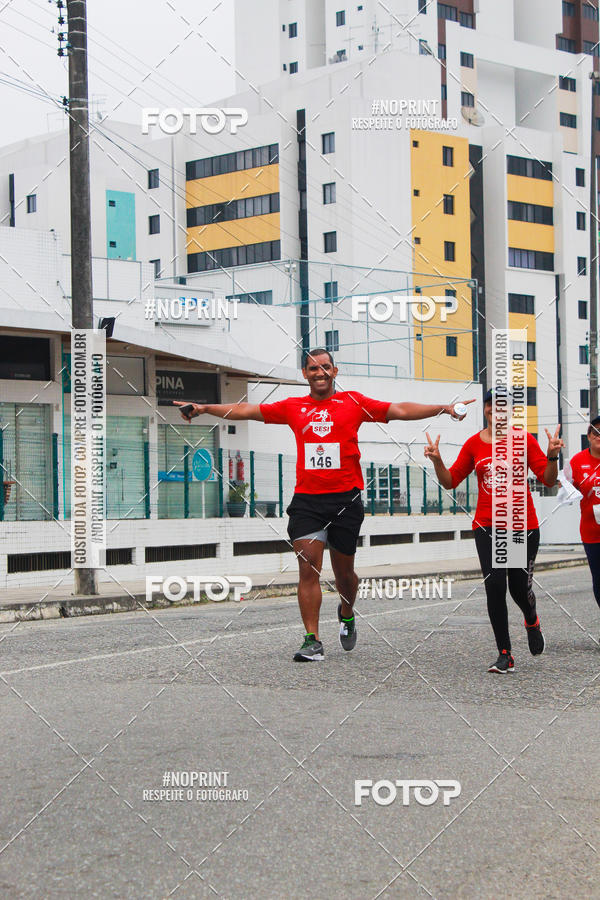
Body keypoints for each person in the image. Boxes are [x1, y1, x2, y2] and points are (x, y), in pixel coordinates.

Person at [175, 348, 473, 662]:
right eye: (313, 368)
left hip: (346, 500)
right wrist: (205, 407)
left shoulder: (353, 403)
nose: (320, 373)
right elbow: (247, 410)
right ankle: (312, 640)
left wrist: (442, 408)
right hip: (307, 501)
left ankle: (346, 611)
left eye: (326, 367)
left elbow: (398, 409)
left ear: (335, 371)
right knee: (309, 567)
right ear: (305, 374)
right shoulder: (293, 407)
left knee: (345, 575)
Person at [424, 389, 563, 673]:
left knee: (518, 590)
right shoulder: (474, 444)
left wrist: (551, 457)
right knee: (495, 587)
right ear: (485, 410)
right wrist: (437, 460)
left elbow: (548, 481)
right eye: (490, 405)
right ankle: (505, 653)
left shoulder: (524, 441)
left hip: (522, 526)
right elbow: (450, 481)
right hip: (488, 526)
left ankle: (531, 618)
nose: (495, 410)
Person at [564, 416, 600, 617]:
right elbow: (566, 491)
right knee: (598, 581)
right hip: (592, 533)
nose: (599, 436)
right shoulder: (577, 461)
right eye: (596, 432)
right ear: (588, 436)